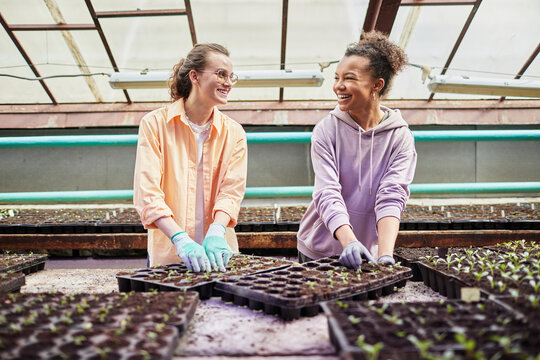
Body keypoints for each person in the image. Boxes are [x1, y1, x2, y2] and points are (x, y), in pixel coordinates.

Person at [296, 31, 417, 269]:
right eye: (337, 77)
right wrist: (349, 241)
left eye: (349, 78)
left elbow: (392, 195)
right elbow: (327, 193)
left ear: (376, 85)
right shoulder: (326, 130)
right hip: (318, 250)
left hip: (368, 254)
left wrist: (385, 256)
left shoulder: (399, 136)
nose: (338, 86)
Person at [134, 43, 247, 272]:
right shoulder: (155, 125)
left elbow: (231, 191)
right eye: (221, 74)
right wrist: (180, 238)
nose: (228, 83)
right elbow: (148, 193)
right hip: (170, 255)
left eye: (230, 76)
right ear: (194, 76)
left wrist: (217, 231)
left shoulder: (234, 133)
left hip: (220, 255)